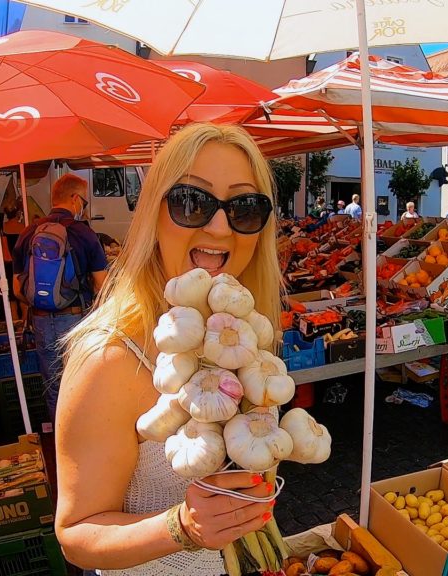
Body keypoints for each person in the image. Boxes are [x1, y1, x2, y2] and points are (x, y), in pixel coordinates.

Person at [55, 124, 279, 575]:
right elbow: (76, 533)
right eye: (191, 202)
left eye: (245, 207)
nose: (220, 226)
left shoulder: (249, 340)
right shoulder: (110, 357)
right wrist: (181, 527)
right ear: (153, 214)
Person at [13, 174, 107, 420]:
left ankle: (60, 443)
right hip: (76, 318)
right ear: (75, 199)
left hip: (42, 320)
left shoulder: (28, 233)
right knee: (81, 381)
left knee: (53, 385)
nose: (83, 208)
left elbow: (16, 289)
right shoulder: (84, 233)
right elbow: (101, 284)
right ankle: (85, 438)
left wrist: (43, 300)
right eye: (84, 203)